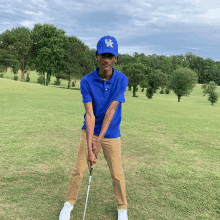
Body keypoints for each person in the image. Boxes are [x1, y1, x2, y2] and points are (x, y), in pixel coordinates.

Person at [59, 35, 129, 220]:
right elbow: (89, 115)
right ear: (96, 56)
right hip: (89, 131)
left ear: (115, 58)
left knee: (117, 173)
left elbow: (110, 111)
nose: (106, 59)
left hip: (111, 133)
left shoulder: (122, 80)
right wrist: (91, 146)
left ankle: (122, 208)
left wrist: (99, 142)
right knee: (79, 169)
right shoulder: (86, 81)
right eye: (103, 55)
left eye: (110, 55)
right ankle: (69, 204)